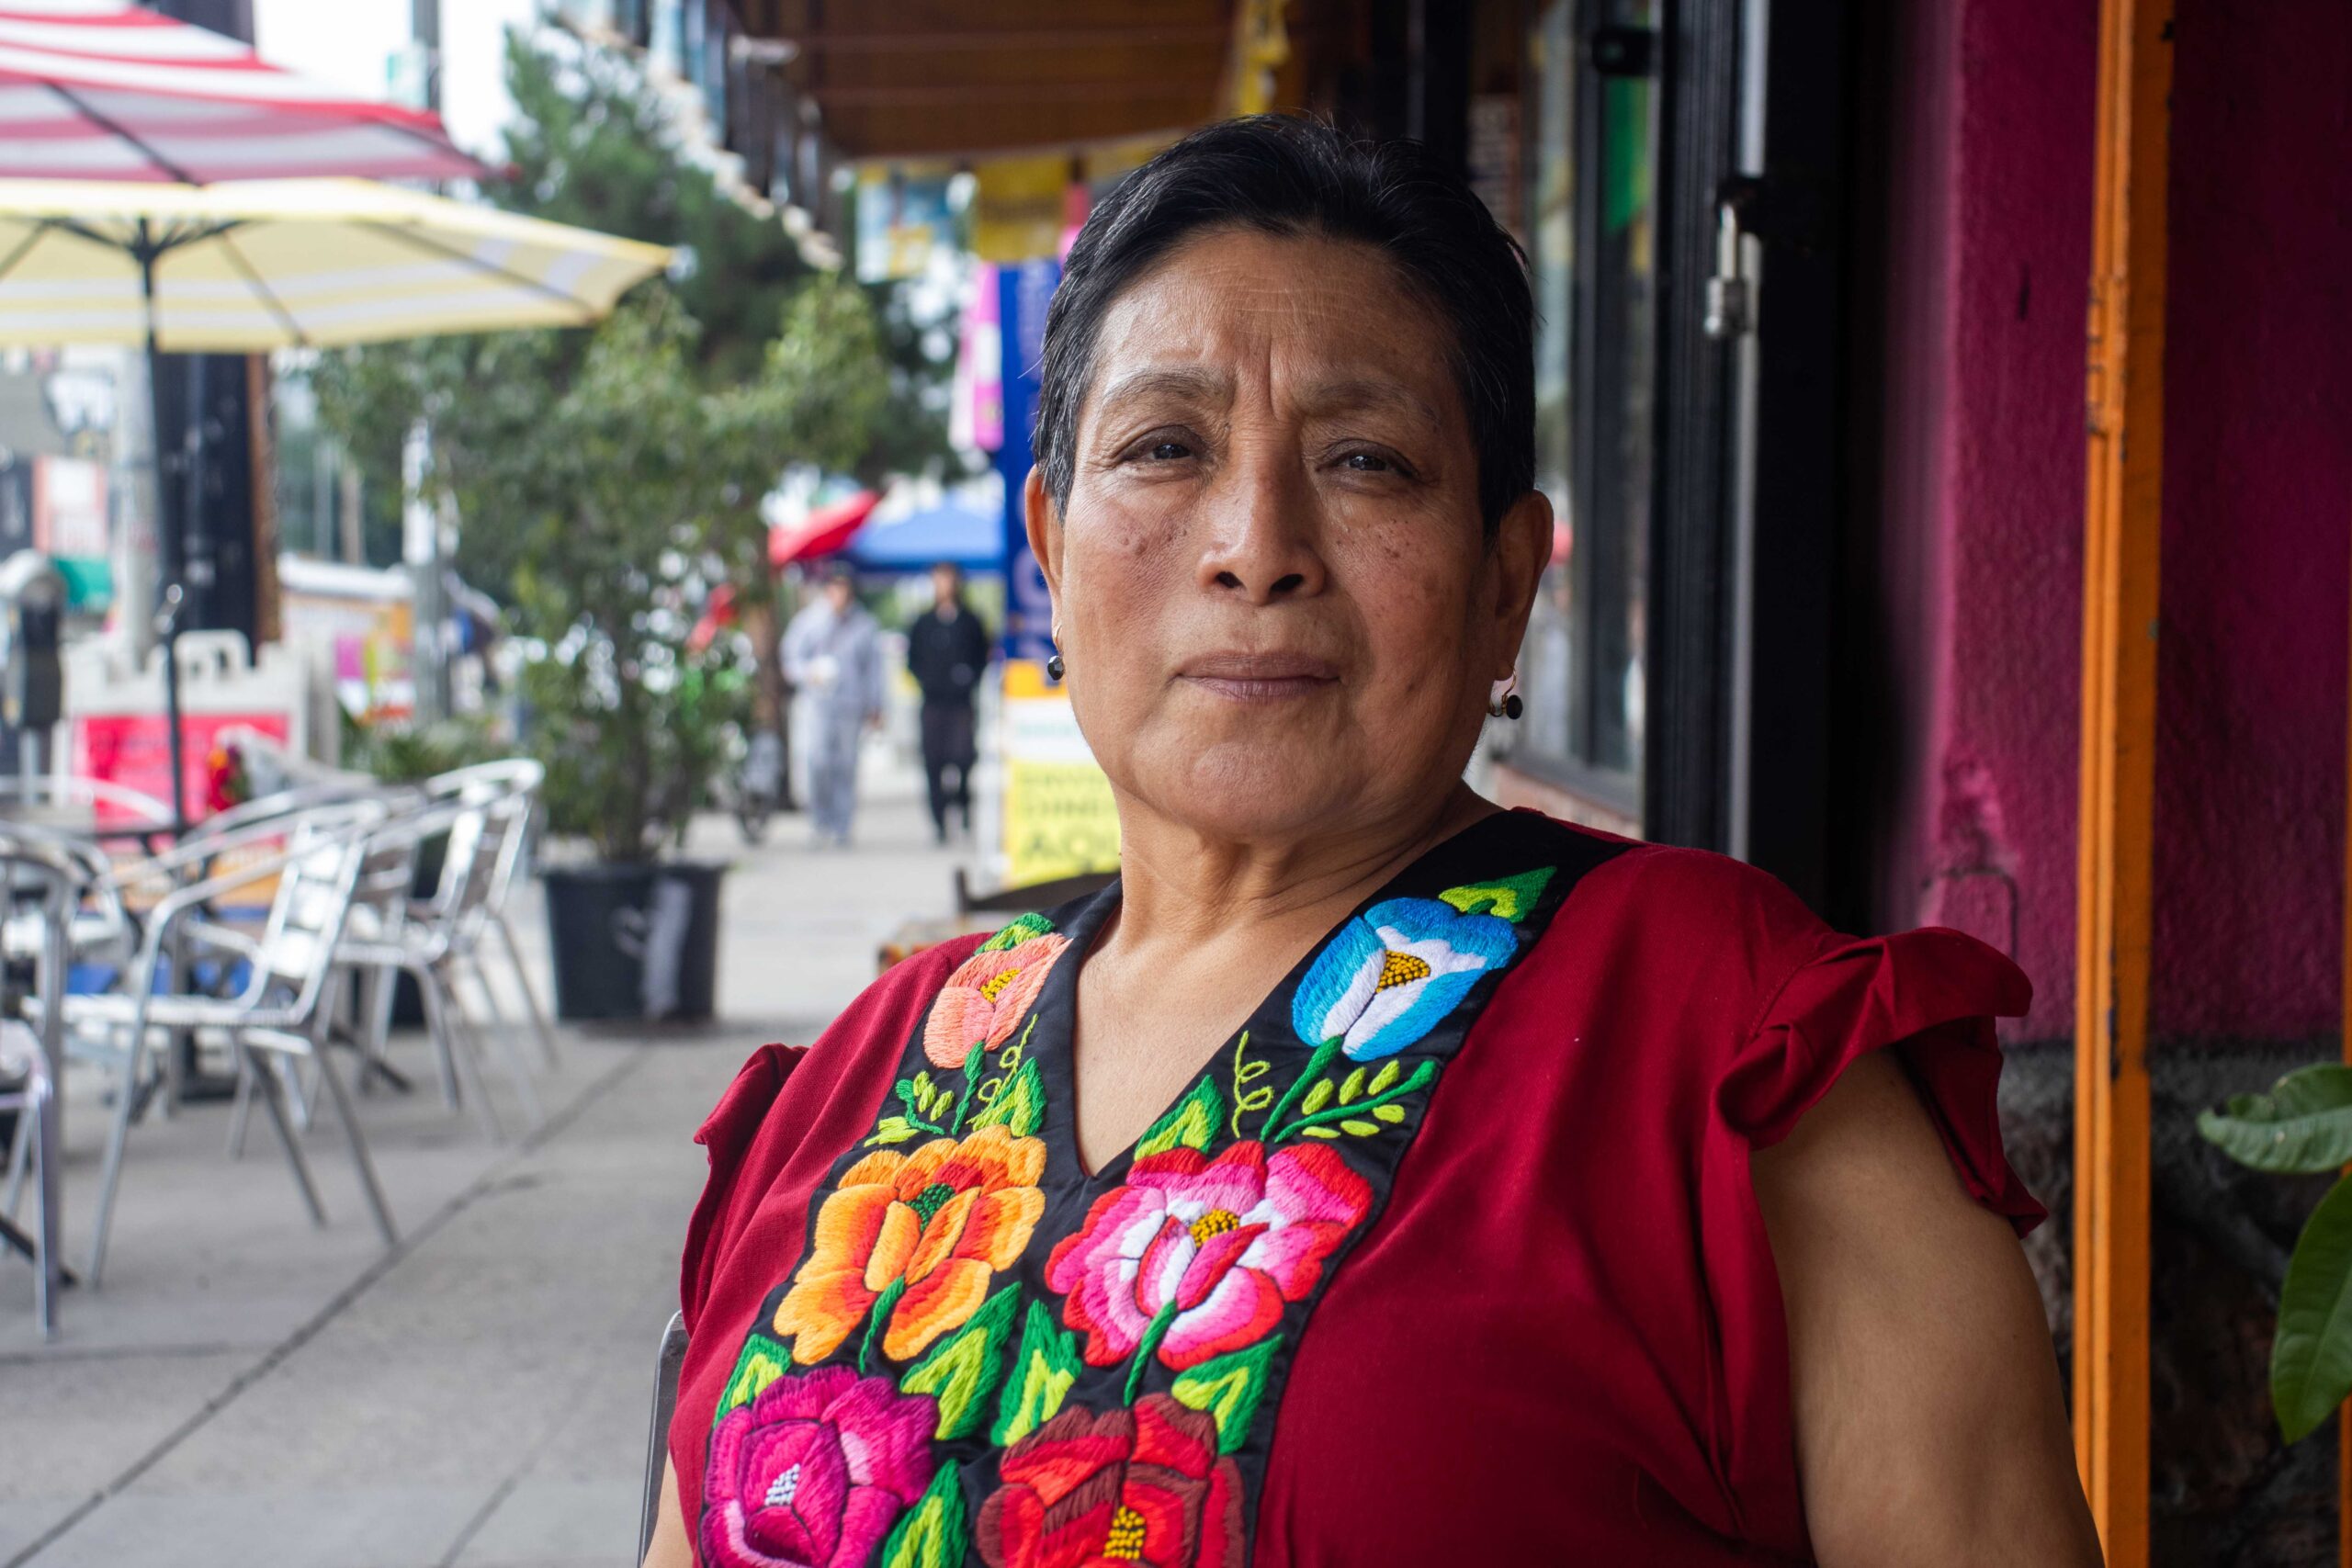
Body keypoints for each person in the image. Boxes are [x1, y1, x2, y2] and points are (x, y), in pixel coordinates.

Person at [645, 118, 2100, 1567]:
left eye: (1365, 459)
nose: (1256, 543)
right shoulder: (867, 1073)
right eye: (1163, 446)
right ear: (1051, 549)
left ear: (1505, 579)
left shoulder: (1727, 1046)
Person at [780, 562, 883, 848]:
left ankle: (842, 826)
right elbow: (791, 660)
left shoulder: (864, 625)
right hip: (818, 705)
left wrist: (876, 706)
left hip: (850, 705)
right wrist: (809, 673)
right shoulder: (809, 622)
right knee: (818, 763)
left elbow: (873, 669)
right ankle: (819, 822)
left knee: (846, 766)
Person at [906, 561, 991, 842]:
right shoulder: (923, 623)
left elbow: (983, 656)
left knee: (963, 757)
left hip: (961, 703)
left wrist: (968, 678)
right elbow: (912, 661)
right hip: (932, 703)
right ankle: (939, 821)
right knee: (934, 761)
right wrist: (927, 680)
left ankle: (963, 801)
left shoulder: (970, 622)